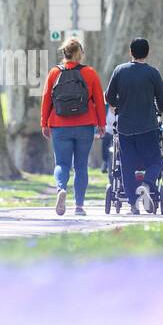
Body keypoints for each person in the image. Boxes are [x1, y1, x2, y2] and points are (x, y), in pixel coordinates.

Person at [40, 38, 106, 216]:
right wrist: (101, 124)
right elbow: (99, 101)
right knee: (81, 165)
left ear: (64, 53)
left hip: (59, 124)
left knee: (61, 163)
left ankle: (61, 189)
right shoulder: (90, 73)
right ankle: (79, 206)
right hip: (85, 125)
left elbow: (47, 99)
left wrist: (44, 123)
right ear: (80, 53)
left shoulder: (54, 73)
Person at [104, 37, 163, 215]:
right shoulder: (153, 73)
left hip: (125, 127)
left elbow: (109, 96)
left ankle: (133, 204)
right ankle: (147, 184)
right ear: (147, 53)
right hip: (148, 126)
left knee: (127, 165)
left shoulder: (120, 71)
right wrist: (159, 109)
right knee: (155, 161)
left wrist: (117, 106)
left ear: (131, 52)